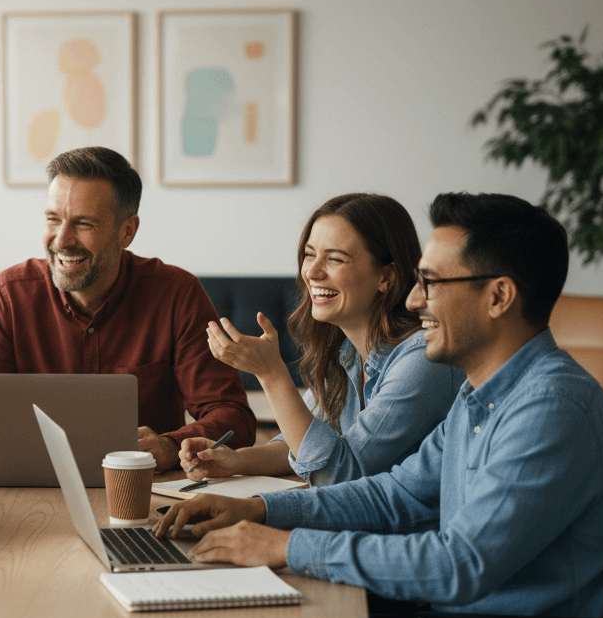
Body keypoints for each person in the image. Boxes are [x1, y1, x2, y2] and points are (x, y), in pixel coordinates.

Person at [156, 193, 603, 618]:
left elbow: (459, 565)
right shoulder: (480, 394)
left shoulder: (550, 410)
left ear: (498, 297)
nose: (412, 300)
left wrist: (287, 546)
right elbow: (396, 494)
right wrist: (259, 511)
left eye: (430, 283)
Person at [0, 147, 255, 470]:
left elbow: (232, 416)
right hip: (25, 489)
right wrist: (2, 450)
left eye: (83, 224)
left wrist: (171, 446)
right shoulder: (6, 296)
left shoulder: (177, 296)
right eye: (53, 219)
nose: (62, 240)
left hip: (142, 496)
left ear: (127, 231)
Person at [181, 194, 463, 486]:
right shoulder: (343, 353)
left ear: (386, 277)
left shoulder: (422, 360)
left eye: (335, 259)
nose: (312, 272)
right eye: (309, 254)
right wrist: (235, 460)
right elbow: (303, 444)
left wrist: (271, 374)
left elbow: (337, 472)